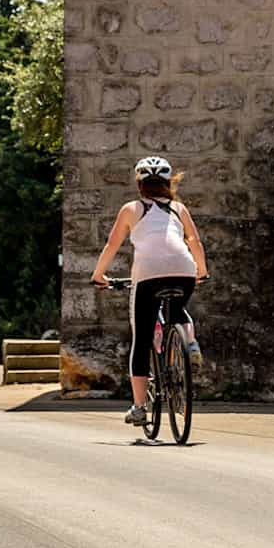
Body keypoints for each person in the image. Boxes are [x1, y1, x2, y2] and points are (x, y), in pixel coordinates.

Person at [91, 155, 208, 426]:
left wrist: (99, 275)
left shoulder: (131, 208)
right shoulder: (179, 209)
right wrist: (201, 271)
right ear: (168, 183)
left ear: (139, 184)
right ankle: (189, 343)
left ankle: (140, 407)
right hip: (184, 271)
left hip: (148, 275)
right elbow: (194, 241)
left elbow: (112, 245)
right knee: (178, 310)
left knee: (142, 340)